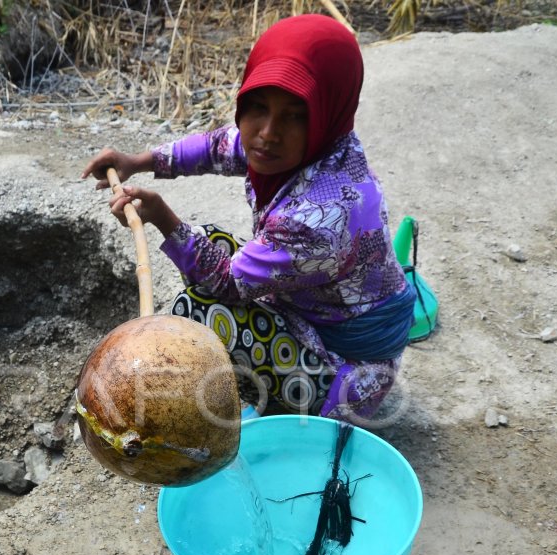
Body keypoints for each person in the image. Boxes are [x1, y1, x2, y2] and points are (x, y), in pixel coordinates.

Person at [82, 14, 415, 422]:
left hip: (346, 372)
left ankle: (277, 403)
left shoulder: (318, 217)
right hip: (319, 310)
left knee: (200, 311)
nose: (268, 133)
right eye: (258, 106)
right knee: (209, 240)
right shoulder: (319, 143)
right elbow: (222, 146)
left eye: (295, 115)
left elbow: (225, 285)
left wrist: (161, 216)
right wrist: (138, 161)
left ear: (326, 112)